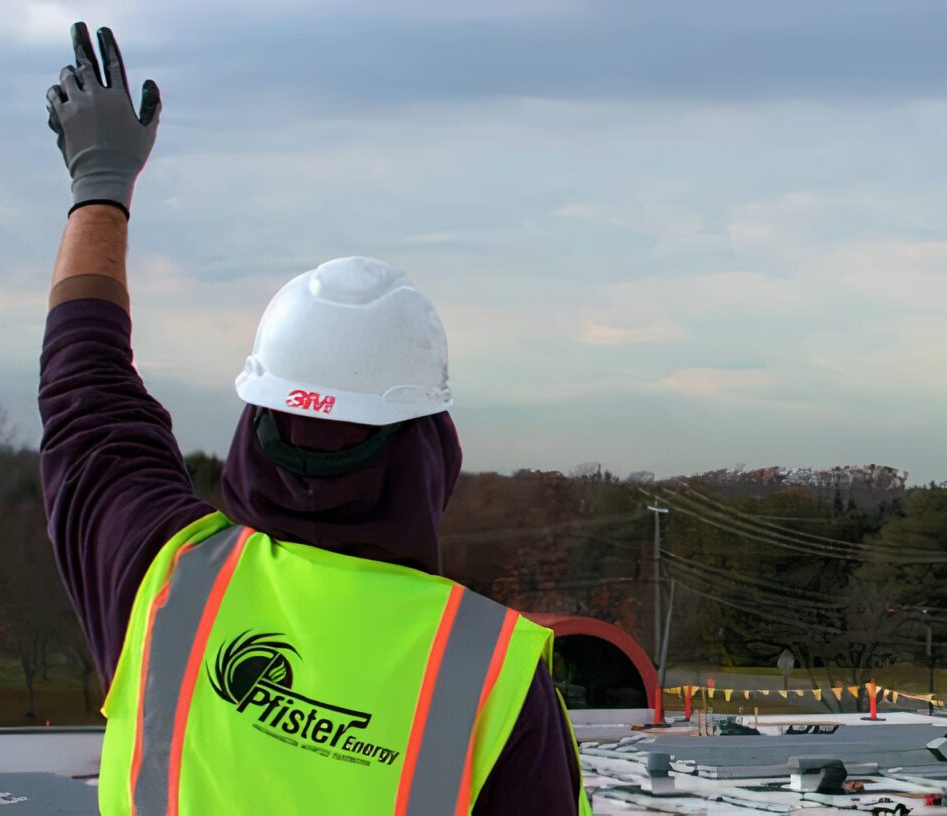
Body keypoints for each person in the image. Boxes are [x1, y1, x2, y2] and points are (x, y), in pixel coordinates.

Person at [36, 23, 587, 815]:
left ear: (253, 430)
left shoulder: (164, 583)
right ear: (433, 450)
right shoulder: (488, 676)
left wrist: (100, 181)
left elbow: (84, 391)